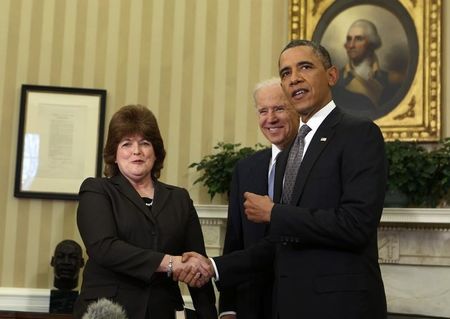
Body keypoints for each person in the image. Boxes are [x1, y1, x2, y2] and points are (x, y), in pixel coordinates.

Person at [181, 40, 388, 319]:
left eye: (305, 67)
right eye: (286, 73)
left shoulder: (359, 134)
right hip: (287, 307)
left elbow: (355, 224)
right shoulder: (291, 151)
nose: (294, 79)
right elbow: (281, 241)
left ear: (332, 75)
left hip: (340, 308)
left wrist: (275, 212)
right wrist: (214, 266)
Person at [73, 105, 217, 319]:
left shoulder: (179, 199)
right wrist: (171, 262)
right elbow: (104, 248)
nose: (136, 151)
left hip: (164, 311)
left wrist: (209, 316)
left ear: (155, 151)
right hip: (109, 311)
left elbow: (196, 266)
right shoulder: (97, 190)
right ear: (114, 153)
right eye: (126, 144)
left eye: (145, 143)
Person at [219, 78, 299, 319]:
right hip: (251, 305)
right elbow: (234, 241)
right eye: (263, 111)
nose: (270, 118)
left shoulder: (314, 164)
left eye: (279, 108)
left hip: (301, 302)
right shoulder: (246, 169)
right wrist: (228, 307)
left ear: (297, 110)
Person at [336, 19, 399, 117]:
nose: (351, 45)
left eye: (358, 39)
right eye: (349, 39)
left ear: (371, 43)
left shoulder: (389, 80)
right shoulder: (336, 80)